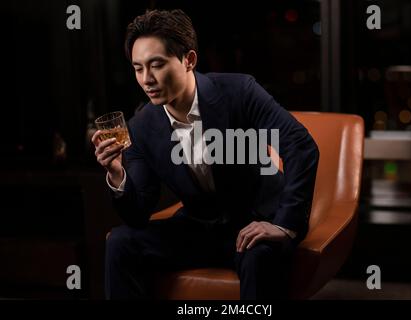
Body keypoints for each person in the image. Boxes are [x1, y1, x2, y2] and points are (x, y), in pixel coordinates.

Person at [92, 9, 319, 300]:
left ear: (189, 59)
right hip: (199, 229)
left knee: (259, 257)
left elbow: (300, 144)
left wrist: (284, 225)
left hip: (255, 222)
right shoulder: (141, 127)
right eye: (138, 68)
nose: (146, 79)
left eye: (157, 65)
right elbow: (138, 213)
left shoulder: (239, 91)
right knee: (121, 242)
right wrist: (116, 173)